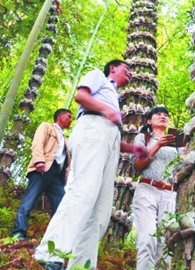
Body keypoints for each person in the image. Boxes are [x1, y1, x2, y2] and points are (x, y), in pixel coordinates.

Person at [34, 59, 148, 270]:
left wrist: (133, 149)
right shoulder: (99, 76)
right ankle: (50, 252)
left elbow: (110, 131)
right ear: (113, 68)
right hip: (91, 128)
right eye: (127, 68)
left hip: (109, 140)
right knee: (82, 191)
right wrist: (106, 110)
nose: (131, 73)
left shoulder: (115, 97)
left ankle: (81, 266)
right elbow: (81, 96)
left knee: (100, 212)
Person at [11, 109, 72, 241]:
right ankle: (18, 234)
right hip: (43, 168)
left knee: (61, 206)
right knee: (29, 201)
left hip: (57, 176)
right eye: (69, 116)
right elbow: (37, 142)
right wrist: (39, 160)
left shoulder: (66, 140)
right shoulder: (46, 126)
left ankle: (54, 240)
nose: (71, 119)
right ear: (60, 117)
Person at [132, 106, 179, 270]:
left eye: (166, 114)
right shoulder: (143, 138)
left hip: (170, 194)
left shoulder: (175, 142)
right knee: (148, 236)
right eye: (158, 114)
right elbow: (137, 165)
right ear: (149, 121)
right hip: (147, 189)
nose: (163, 116)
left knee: (165, 241)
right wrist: (158, 144)